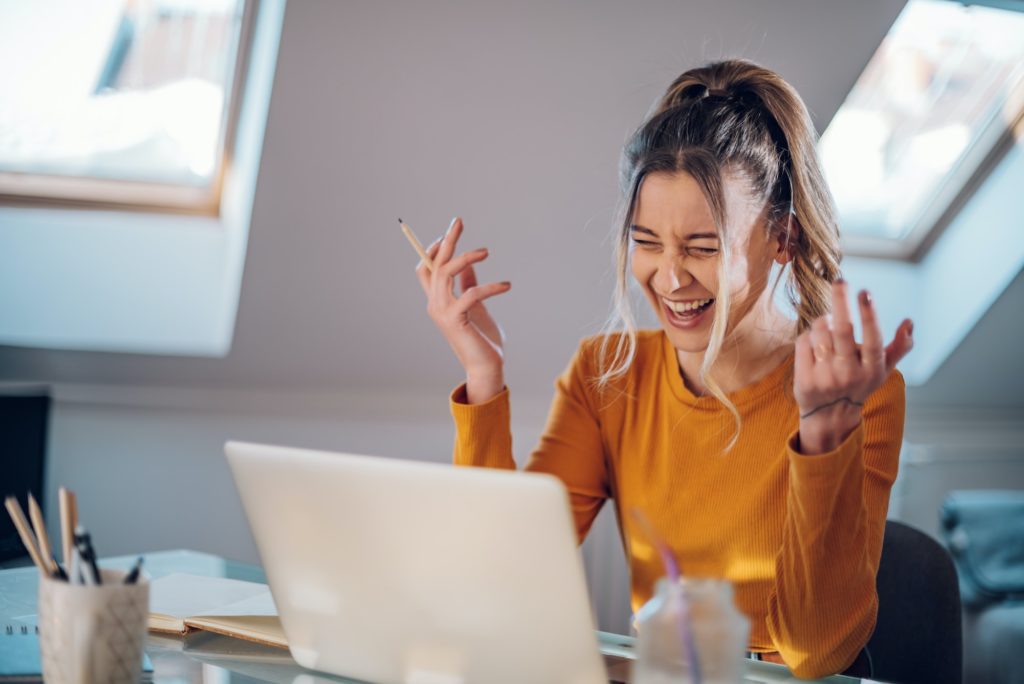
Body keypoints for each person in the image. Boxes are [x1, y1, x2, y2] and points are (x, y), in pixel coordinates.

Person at [414, 59, 913, 679]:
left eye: (702, 248)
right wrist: (483, 374)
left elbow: (817, 653)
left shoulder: (862, 394)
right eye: (646, 242)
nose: (670, 278)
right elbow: (497, 575)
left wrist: (822, 438)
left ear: (782, 239)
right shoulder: (608, 375)